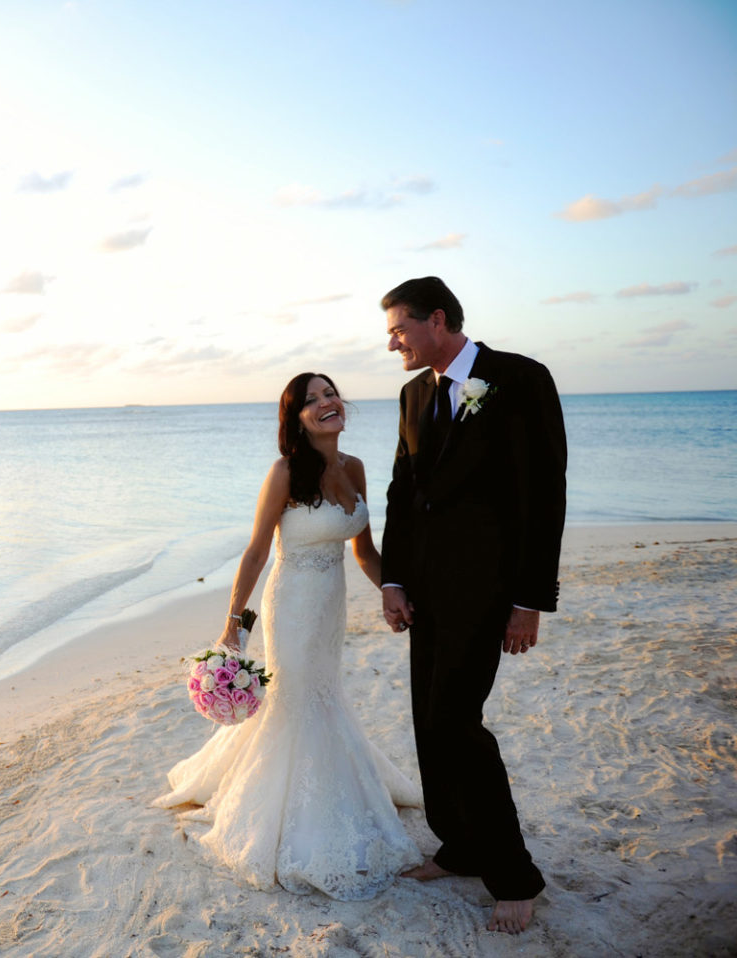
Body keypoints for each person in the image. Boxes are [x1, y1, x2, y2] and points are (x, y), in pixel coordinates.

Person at [154, 372, 422, 901]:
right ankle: (288, 816)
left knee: (324, 696)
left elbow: (363, 551)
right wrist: (234, 625)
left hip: (332, 607)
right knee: (294, 701)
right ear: (297, 419)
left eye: (330, 394)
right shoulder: (284, 473)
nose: (327, 403)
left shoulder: (356, 468)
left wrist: (396, 592)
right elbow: (256, 551)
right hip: (292, 605)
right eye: (312, 400)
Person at [378, 276, 566, 934]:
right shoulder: (411, 395)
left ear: (437, 318)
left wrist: (530, 599)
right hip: (423, 592)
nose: (392, 340)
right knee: (429, 721)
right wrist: (392, 581)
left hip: (488, 591)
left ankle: (514, 874)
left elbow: (544, 494)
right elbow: (404, 493)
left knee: (457, 722)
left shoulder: (518, 379)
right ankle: (458, 845)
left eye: (399, 327)